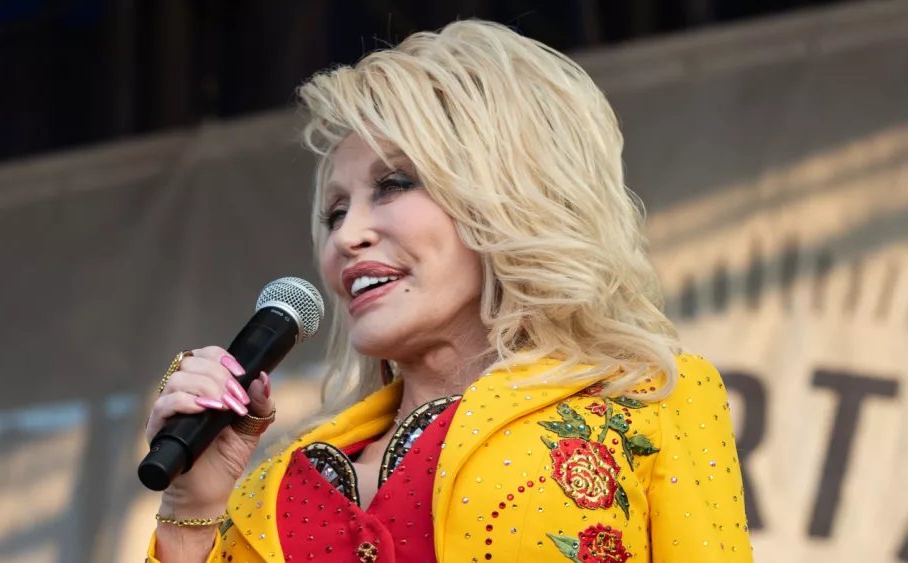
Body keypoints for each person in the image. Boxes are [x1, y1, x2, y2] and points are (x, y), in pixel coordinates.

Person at [144, 20, 753, 563]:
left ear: (509, 195)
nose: (348, 235)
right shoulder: (273, 487)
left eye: (394, 184)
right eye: (334, 213)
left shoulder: (646, 399)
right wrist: (191, 516)